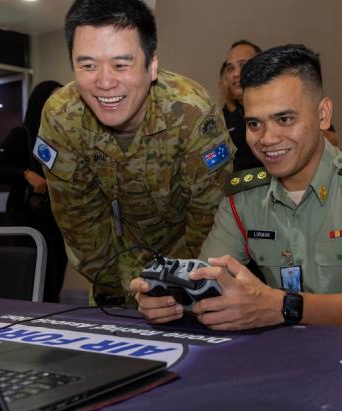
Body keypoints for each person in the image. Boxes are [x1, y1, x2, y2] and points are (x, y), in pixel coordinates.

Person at [132, 44, 342, 331]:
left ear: (323, 114)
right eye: (254, 124)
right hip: (279, 350)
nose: (267, 139)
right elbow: (208, 283)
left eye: (284, 119)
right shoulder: (243, 200)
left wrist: (282, 306)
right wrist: (171, 299)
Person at [35, 0, 234, 306]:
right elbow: (79, 222)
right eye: (88, 66)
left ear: (151, 65)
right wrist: (114, 292)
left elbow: (207, 220)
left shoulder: (191, 112)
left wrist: (181, 290)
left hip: (188, 265)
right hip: (114, 265)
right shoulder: (62, 117)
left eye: (121, 65)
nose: (104, 82)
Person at [0, 81, 68, 302]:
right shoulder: (21, 134)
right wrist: (25, 174)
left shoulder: (61, 139)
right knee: (31, 284)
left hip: (56, 224)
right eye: (54, 99)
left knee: (53, 285)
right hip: (29, 224)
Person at [221, 40, 263, 172]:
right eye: (230, 68)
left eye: (243, 65)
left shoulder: (281, 107)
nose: (235, 73)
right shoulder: (223, 122)